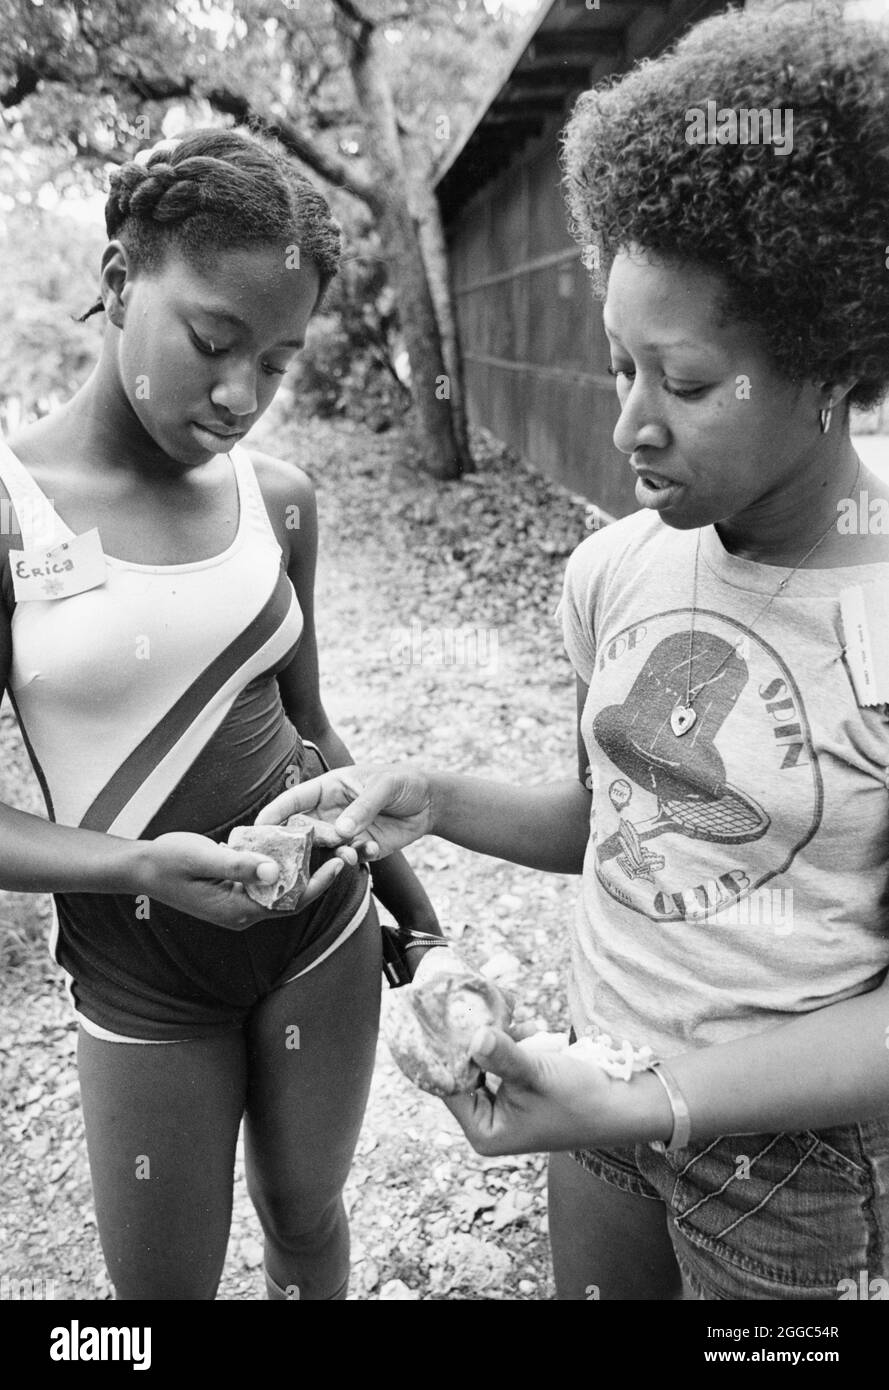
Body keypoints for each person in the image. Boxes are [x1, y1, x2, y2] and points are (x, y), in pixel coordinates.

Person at [257, 2, 889, 1300]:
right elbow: (612, 820)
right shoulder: (616, 570)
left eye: (686, 381)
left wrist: (644, 1101)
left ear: (832, 358)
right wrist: (425, 799)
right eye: (617, 370)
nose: (632, 426)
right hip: (596, 1086)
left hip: (783, 1171)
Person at [0, 126, 440, 1301]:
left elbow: (313, 727)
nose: (242, 395)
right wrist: (142, 865)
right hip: (143, 980)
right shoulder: (12, 512)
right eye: (212, 342)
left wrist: (422, 921)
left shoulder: (279, 503)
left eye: (280, 362)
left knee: (309, 1218)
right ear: (113, 282)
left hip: (324, 934)